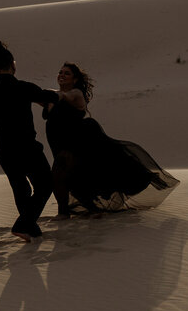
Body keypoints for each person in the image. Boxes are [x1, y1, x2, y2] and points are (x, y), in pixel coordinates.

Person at [44, 62, 179, 215]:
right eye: (60, 72)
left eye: (66, 73)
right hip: (57, 142)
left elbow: (63, 95)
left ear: (75, 80)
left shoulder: (75, 93)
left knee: (60, 175)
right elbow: (40, 98)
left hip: (77, 142)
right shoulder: (51, 97)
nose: (61, 75)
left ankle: (64, 214)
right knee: (73, 178)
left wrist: (50, 93)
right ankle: (90, 210)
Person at [0, 41, 59, 242]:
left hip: (3, 147)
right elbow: (48, 96)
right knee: (45, 184)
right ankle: (23, 224)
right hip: (25, 146)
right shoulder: (23, 87)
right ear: (13, 65)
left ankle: (31, 229)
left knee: (21, 188)